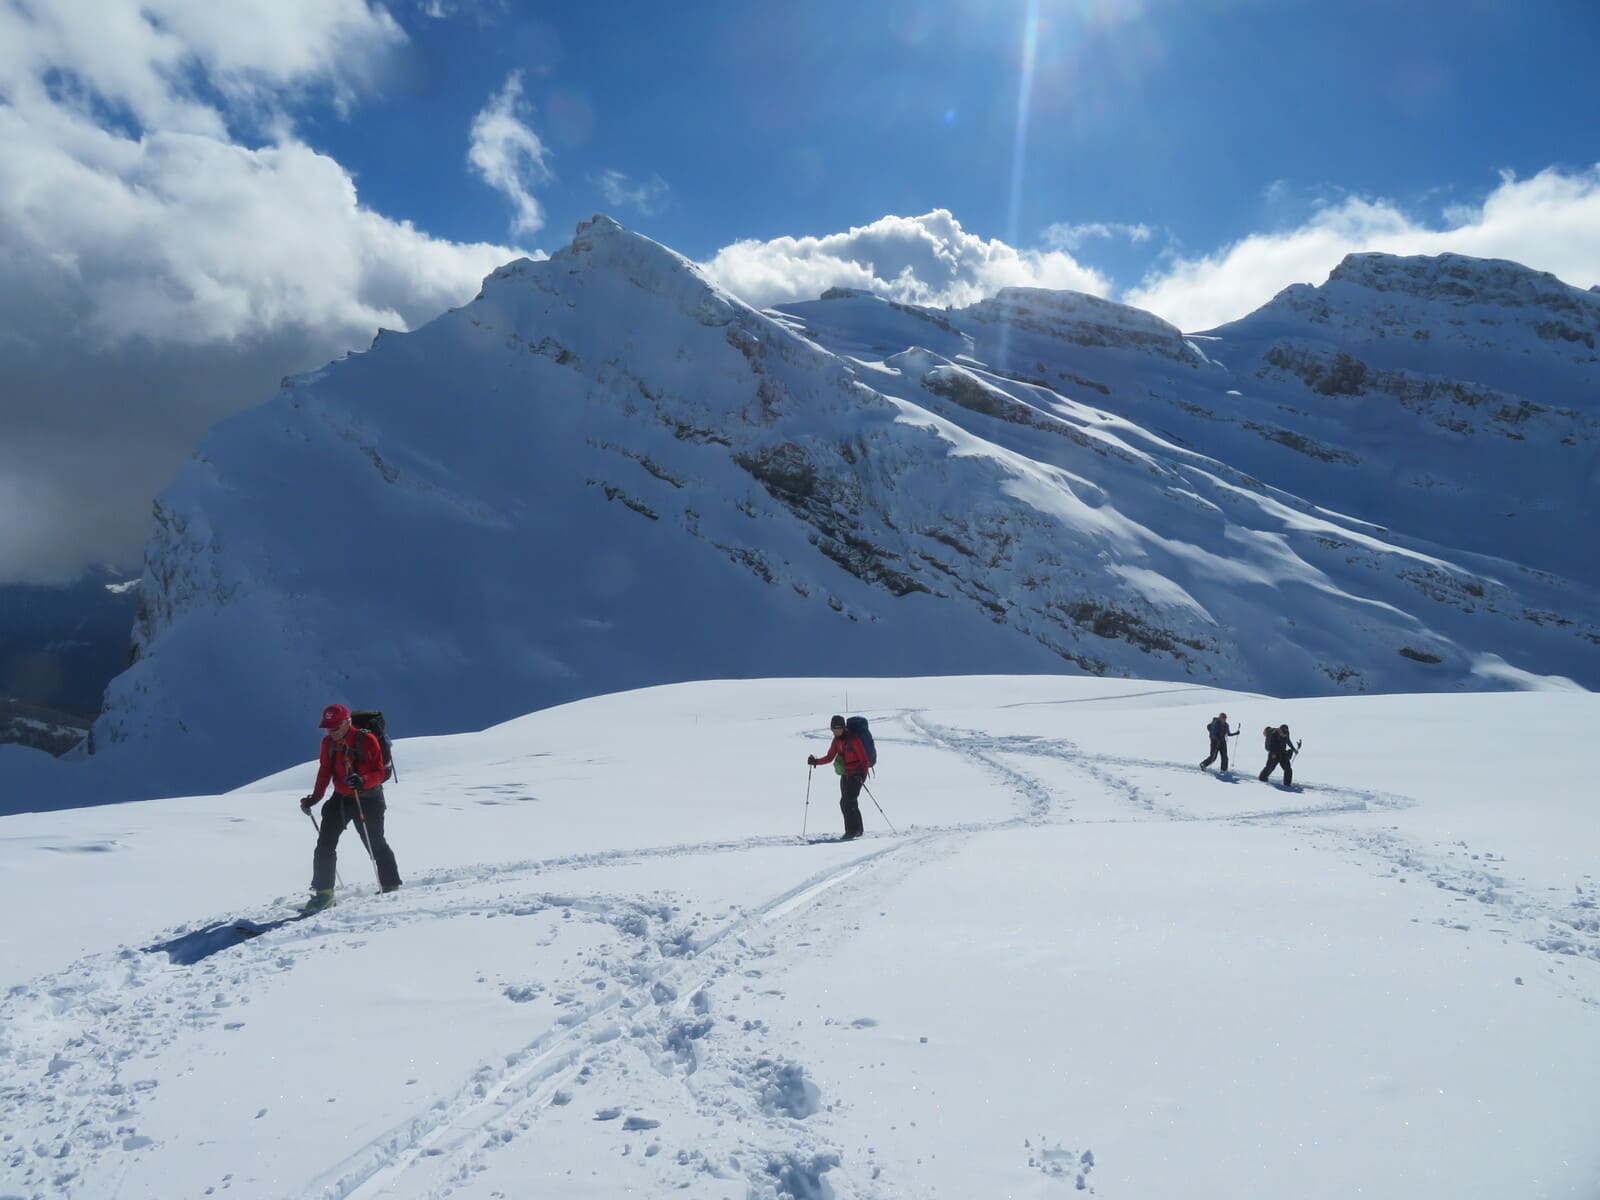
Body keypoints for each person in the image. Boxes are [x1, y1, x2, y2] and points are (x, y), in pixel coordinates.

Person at [297, 703, 401, 911]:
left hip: (369, 799)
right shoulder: (328, 743)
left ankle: (390, 885)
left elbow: (379, 773)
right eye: (327, 727)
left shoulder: (367, 740)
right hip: (342, 798)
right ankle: (324, 894)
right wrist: (315, 798)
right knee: (324, 844)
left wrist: (363, 781)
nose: (330, 731)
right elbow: (325, 771)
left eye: (334, 727)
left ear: (347, 723)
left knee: (375, 842)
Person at [807, 714, 870, 840]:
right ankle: (858, 829)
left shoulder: (854, 740)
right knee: (846, 802)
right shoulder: (836, 741)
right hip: (846, 775)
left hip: (857, 775)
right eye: (834, 729)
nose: (836, 731)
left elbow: (865, 759)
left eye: (838, 728)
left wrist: (861, 773)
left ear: (843, 727)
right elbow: (830, 757)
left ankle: (852, 831)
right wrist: (816, 762)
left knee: (848, 802)